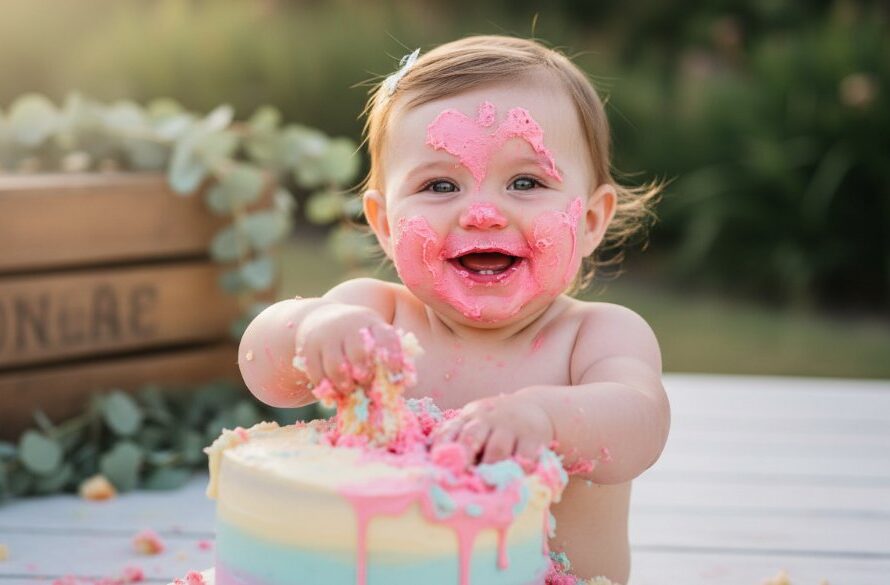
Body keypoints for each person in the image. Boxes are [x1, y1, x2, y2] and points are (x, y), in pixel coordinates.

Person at [238, 35, 670, 584]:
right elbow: (264, 372)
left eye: (526, 181)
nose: (484, 213)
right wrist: (312, 328)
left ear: (589, 221)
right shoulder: (375, 318)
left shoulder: (597, 337)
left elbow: (641, 425)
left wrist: (546, 419)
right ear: (386, 224)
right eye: (441, 184)